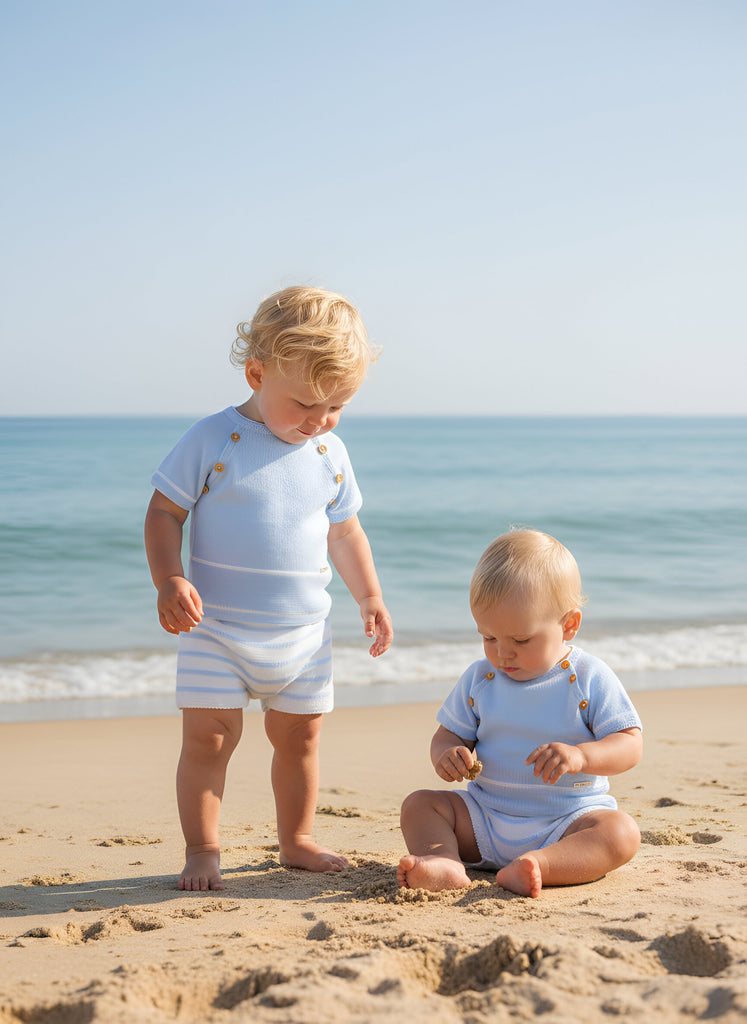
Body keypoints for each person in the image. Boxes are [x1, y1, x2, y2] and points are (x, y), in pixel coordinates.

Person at [145, 285, 393, 892]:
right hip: (216, 630)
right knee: (208, 741)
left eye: (336, 406)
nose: (319, 419)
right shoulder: (214, 438)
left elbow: (345, 532)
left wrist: (370, 596)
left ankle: (296, 840)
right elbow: (164, 512)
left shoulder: (330, 452)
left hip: (303, 636)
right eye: (305, 402)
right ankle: (203, 849)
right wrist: (169, 578)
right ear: (257, 374)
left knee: (300, 740)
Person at [397, 529, 642, 898]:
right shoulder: (481, 679)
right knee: (419, 805)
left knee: (620, 833)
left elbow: (629, 744)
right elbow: (448, 735)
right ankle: (445, 862)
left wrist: (581, 756)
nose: (502, 653)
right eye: (489, 637)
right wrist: (446, 754)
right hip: (483, 818)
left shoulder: (587, 677)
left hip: (566, 822)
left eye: (521, 640)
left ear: (569, 625)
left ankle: (540, 864)